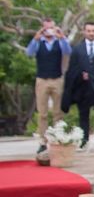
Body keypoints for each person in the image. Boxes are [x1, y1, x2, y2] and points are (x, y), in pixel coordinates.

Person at [25, 17, 71, 154]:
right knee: (42, 113)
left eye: (51, 27)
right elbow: (29, 52)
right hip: (42, 80)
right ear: (42, 28)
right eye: (46, 28)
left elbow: (68, 52)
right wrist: (35, 38)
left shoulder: (59, 42)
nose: (49, 30)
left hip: (57, 79)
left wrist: (62, 37)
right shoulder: (39, 42)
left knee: (58, 112)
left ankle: (58, 139)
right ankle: (43, 142)